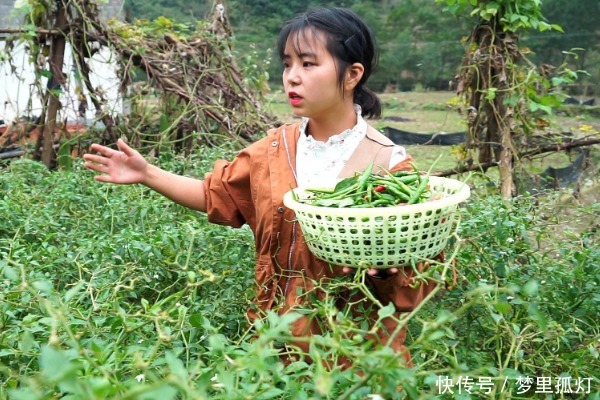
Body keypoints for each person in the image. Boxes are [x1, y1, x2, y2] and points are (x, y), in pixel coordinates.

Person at [83, 7, 438, 367]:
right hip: (275, 352)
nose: (291, 78)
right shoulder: (273, 151)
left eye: (308, 64)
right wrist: (147, 173)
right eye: (287, 64)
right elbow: (215, 196)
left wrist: (386, 275)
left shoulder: (389, 167)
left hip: (356, 361)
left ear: (352, 74)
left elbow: (421, 278)